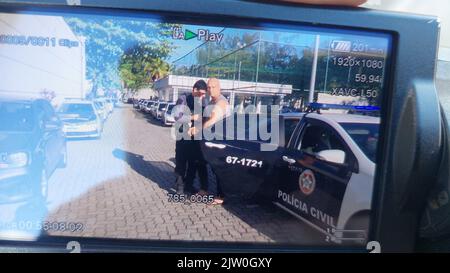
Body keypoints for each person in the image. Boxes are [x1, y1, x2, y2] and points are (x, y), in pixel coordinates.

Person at [173, 80, 209, 195]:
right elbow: (177, 117)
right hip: (183, 138)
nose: (203, 96)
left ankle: (189, 185)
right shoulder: (182, 99)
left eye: (204, 94)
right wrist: (193, 117)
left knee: (193, 163)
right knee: (181, 162)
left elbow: (206, 116)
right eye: (201, 93)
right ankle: (179, 188)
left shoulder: (202, 101)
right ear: (194, 90)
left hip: (195, 138)